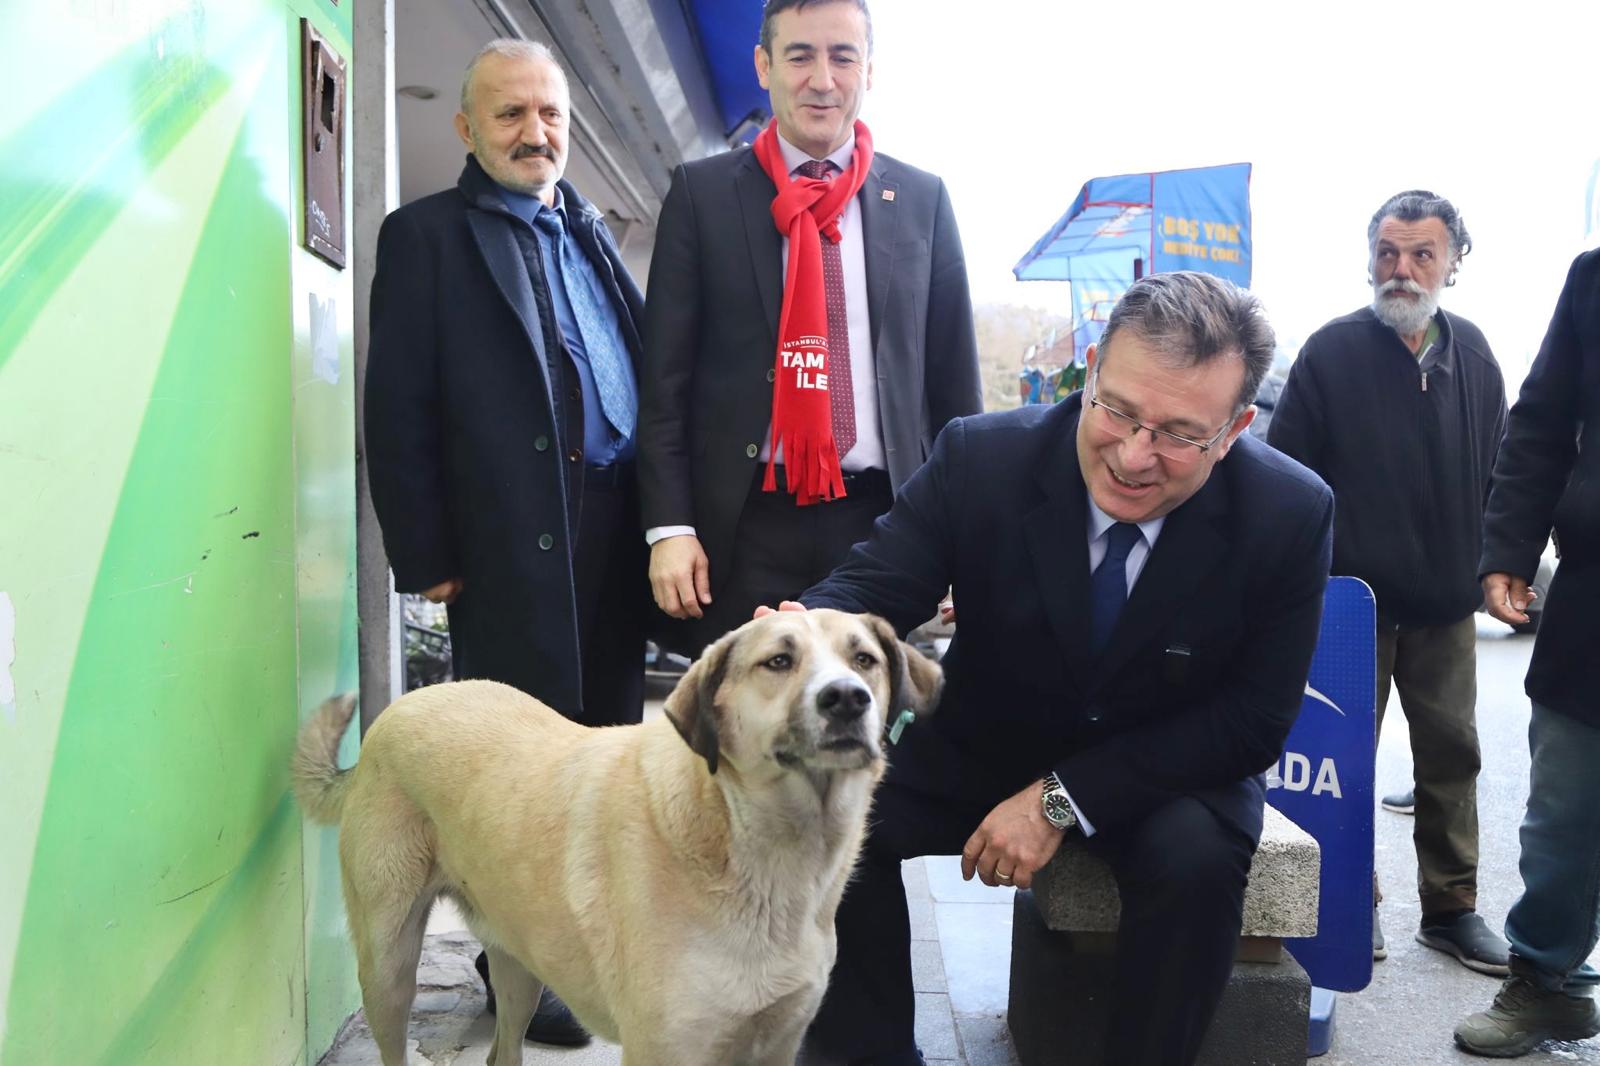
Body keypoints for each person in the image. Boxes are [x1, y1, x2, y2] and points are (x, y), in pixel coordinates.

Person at [787, 272, 1334, 1066]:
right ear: (1090, 369)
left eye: (1180, 434)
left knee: (1197, 860)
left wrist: (1057, 801)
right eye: (1117, 409)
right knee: (823, 803)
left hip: (1167, 766)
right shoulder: (982, 458)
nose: (1134, 454)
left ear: (1236, 426)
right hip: (989, 735)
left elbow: (1252, 721)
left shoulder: (1289, 512)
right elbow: (870, 586)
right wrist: (805, 631)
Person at [363, 37, 650, 1047]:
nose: (535, 133)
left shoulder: (589, 229)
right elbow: (395, 407)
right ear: (467, 128)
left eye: (549, 115)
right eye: (510, 116)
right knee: (518, 775)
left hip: (616, 531)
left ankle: (601, 940)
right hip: (506, 539)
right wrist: (422, 551)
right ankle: (525, 973)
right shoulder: (426, 236)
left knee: (609, 749)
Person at [637, 0, 981, 654]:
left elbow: (955, 394)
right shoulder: (700, 197)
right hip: (741, 531)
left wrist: (961, 538)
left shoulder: (923, 201)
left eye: (842, 56)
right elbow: (664, 387)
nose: (822, 79)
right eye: (800, 55)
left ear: (868, 71)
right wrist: (669, 528)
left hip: (885, 525)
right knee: (744, 741)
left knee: (873, 733)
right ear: (765, 66)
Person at [1268, 190, 1509, 973]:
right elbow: (1287, 479)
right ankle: (1346, 899)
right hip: (1346, 610)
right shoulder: (1330, 354)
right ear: (1370, 257)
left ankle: (1451, 907)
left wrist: (1493, 561)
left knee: (1452, 754)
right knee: (1341, 762)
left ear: (1452, 263)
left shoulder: (1473, 355)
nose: (1401, 270)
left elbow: (1502, 475)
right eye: (1388, 253)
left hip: (1445, 604)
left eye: (1421, 255)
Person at [1453, 249, 1600, 1057]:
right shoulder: (1593, 278)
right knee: (1566, 816)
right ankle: (1549, 984)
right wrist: (1508, 545)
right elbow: (1541, 421)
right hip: (1594, 597)